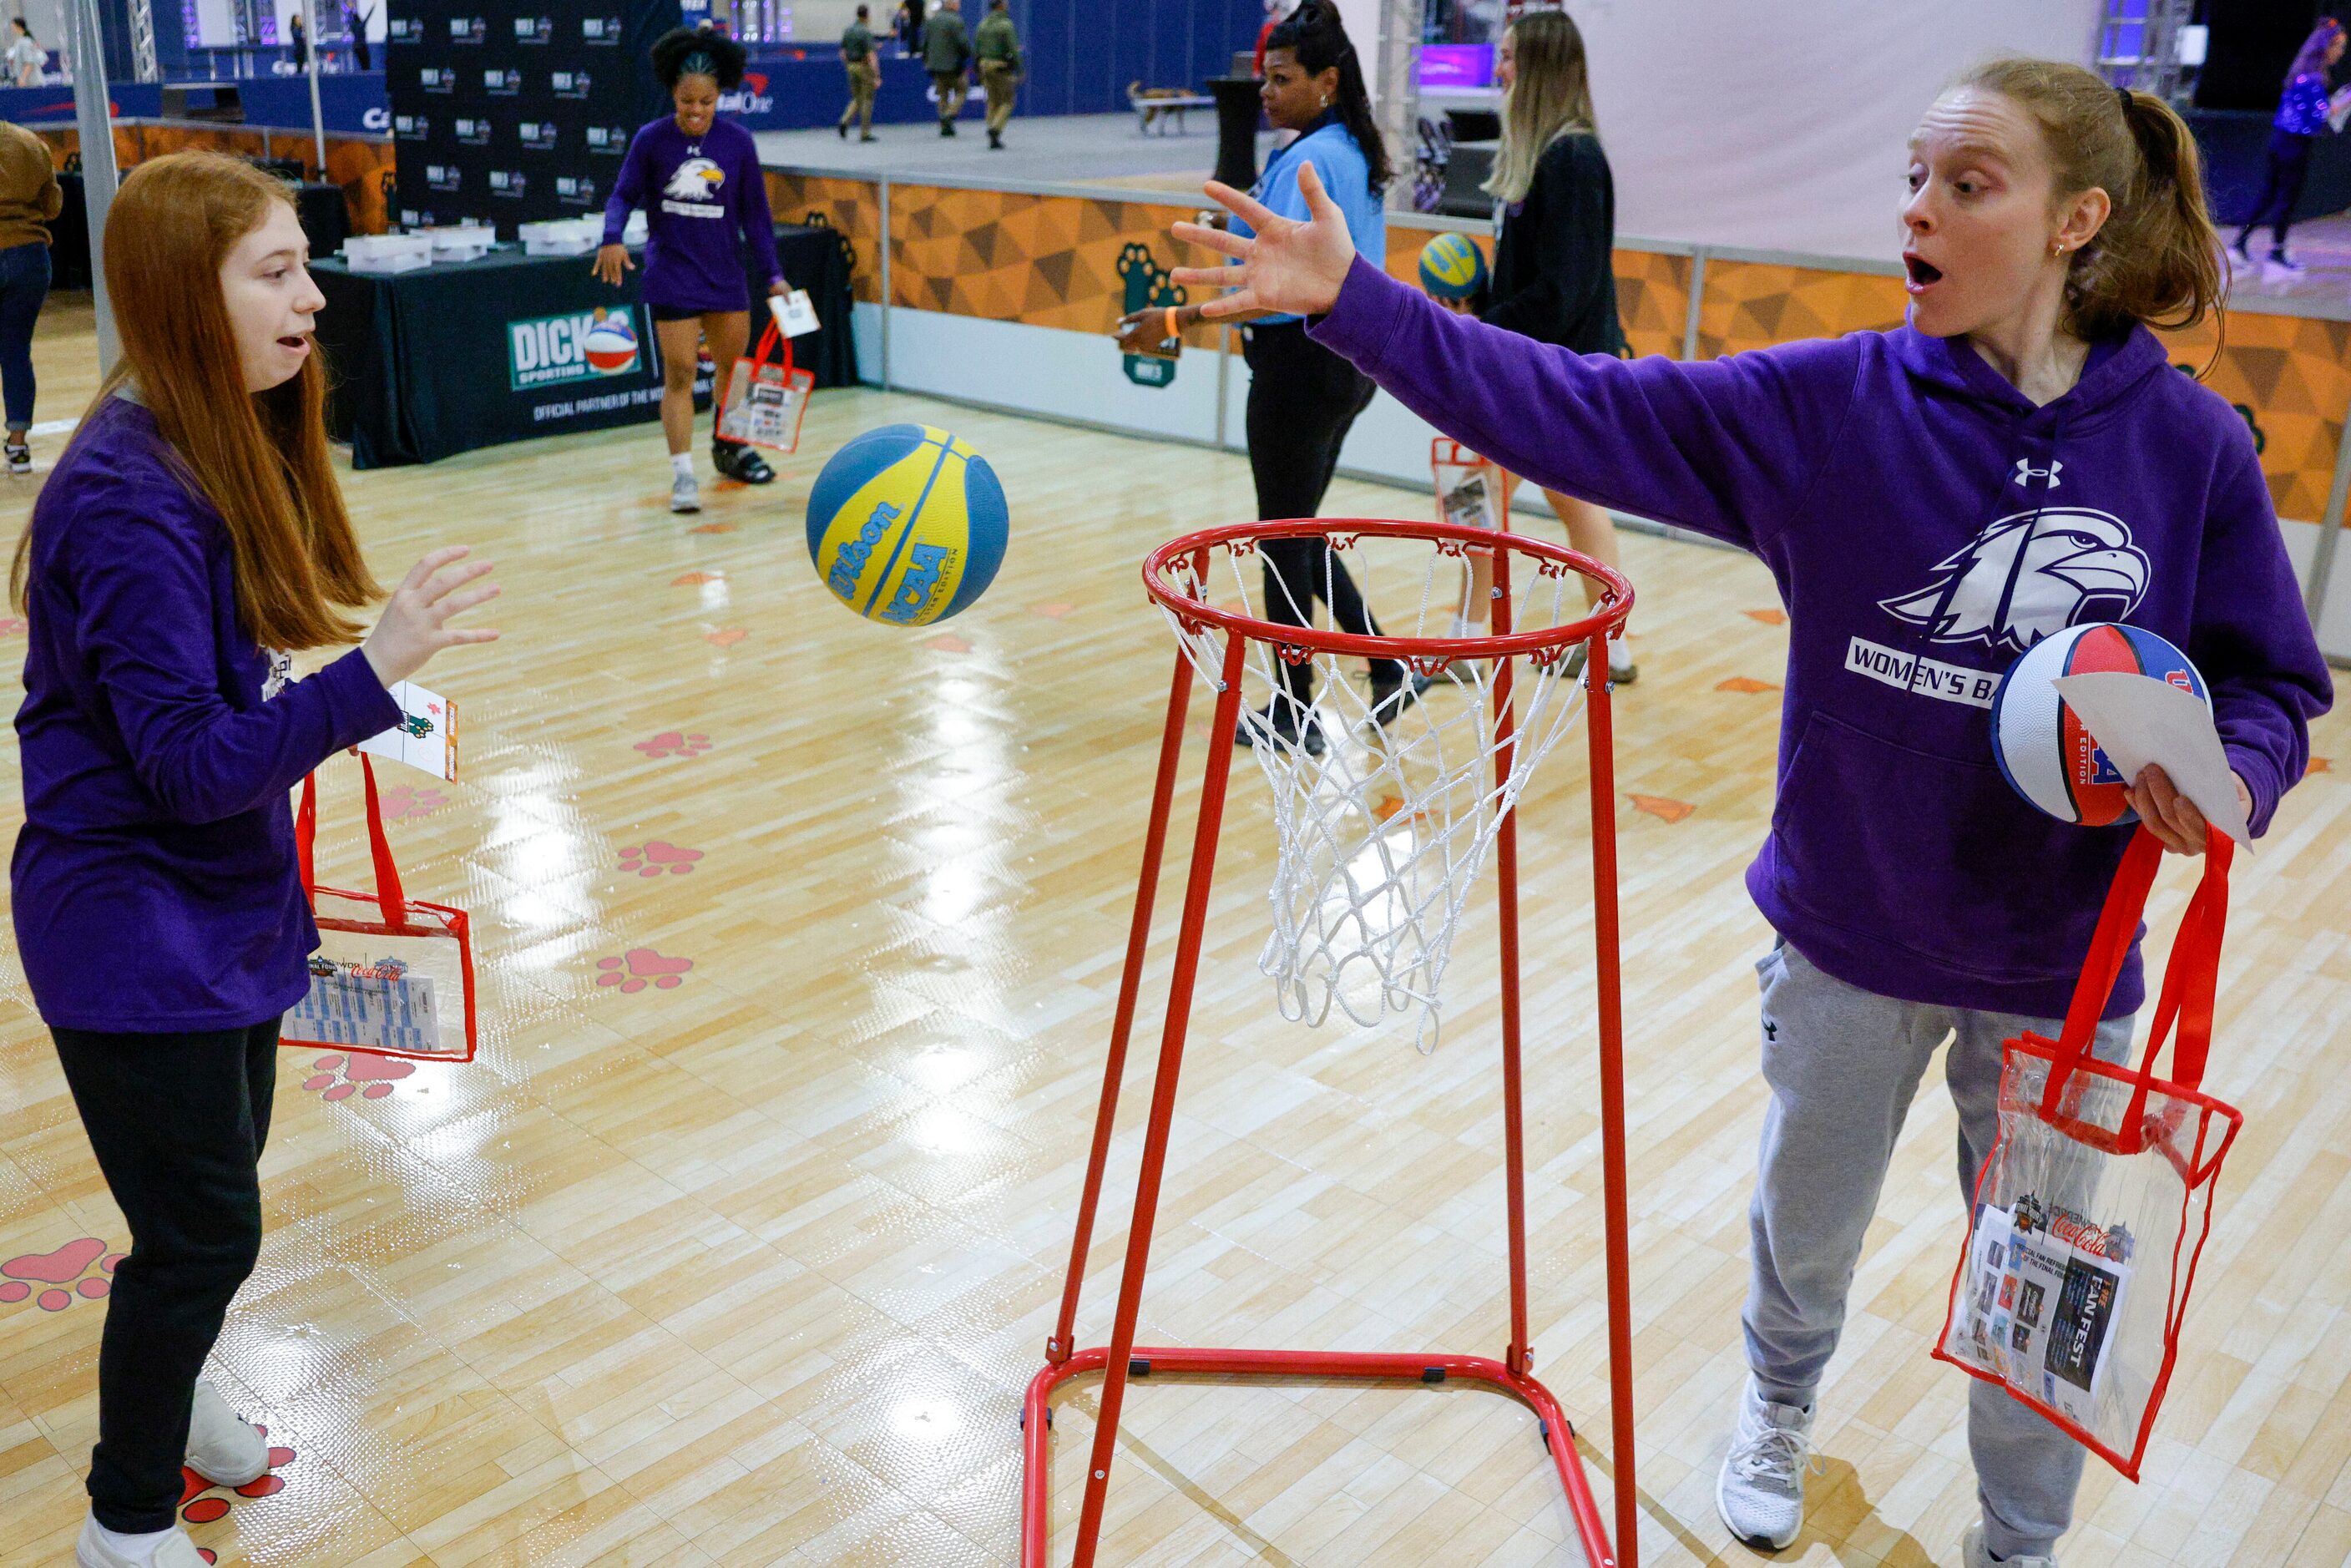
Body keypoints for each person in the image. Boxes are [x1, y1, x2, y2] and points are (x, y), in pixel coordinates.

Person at [1176, 57, 2331, 1568]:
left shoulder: (2188, 451)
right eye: (1912, 176)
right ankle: (1776, 1402)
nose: (1915, 209)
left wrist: (2231, 774)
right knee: (1808, 1227)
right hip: (1850, 934)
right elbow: (1573, 402)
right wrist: (1356, 303)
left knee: (2040, 1276)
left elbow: (2270, 683)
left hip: (2059, 969)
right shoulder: (1831, 407)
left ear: (2078, 223)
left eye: (1965, 185)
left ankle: (2021, 1536)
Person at [8, 151, 498, 1568]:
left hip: (216, 905)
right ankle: (125, 1519)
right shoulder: (125, 496)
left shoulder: (205, 439)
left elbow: (219, 727)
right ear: (181, 294)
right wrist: (377, 673)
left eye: (305, 264)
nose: (314, 296)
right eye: (275, 271)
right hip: (130, 931)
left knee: (204, 1206)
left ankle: (167, 1399)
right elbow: (188, 763)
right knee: (199, 1234)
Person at [1117, 1, 1413, 754]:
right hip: (1344, 370)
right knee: (1300, 523)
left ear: (1327, 81)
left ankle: (1294, 710)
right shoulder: (1348, 148)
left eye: (1282, 79)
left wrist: (1173, 322)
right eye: (1263, 79)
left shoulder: (1313, 163)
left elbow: (1269, 294)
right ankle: (1389, 665)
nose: (1268, 92)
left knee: (1281, 538)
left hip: (1299, 374)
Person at [1450, 7, 1634, 681]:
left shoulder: (1574, 156)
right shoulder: (1544, 152)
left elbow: (1566, 286)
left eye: (1509, 58)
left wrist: (1484, 326)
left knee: (1471, 489)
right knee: (1562, 499)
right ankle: (1610, 645)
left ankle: (1466, 638)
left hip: (1558, 370)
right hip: (1542, 363)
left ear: (1541, 70)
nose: (1497, 69)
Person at [594, 28, 789, 514]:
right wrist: (612, 236)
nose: (697, 111)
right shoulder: (651, 140)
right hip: (673, 273)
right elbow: (622, 195)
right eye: (687, 102)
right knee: (680, 374)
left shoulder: (738, 144)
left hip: (725, 275)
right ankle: (683, 474)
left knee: (734, 372)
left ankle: (732, 448)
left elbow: (757, 218)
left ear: (720, 94)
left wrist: (774, 276)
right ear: (672, 96)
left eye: (706, 101)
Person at [2230, 17, 2351, 278]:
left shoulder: (2302, 73)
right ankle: (2276, 253)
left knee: (2269, 195)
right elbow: (2323, 114)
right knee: (2285, 199)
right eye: (2338, 47)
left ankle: (2240, 244)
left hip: (2280, 140)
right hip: (2293, 145)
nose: (2340, 53)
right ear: (2325, 47)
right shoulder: (2312, 78)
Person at [0, 119, 59, 474]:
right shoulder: (30, 143)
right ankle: (19, 447)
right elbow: (51, 206)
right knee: (16, 351)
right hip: (29, 255)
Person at [975, 0, 1021, 151]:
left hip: (984, 65)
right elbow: (1013, 49)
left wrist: (977, 68)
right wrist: (1019, 69)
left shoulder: (983, 24)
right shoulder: (1006, 25)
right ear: (1001, 5)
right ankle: (995, 129)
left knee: (992, 101)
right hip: (1000, 66)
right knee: (1007, 101)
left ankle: (992, 130)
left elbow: (977, 48)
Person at [924, 0, 972, 137]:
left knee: (942, 95)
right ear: (951, 4)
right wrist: (966, 56)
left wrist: (928, 62)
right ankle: (950, 114)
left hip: (936, 66)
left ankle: (945, 127)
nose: (960, 4)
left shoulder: (932, 21)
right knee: (962, 91)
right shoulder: (956, 21)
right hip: (953, 65)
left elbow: (926, 43)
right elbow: (963, 43)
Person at [839, 3, 880, 142]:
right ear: (867, 16)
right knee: (867, 100)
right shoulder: (865, 32)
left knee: (857, 98)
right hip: (864, 67)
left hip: (851, 66)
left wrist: (849, 66)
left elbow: (843, 53)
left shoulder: (848, 30)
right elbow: (871, 56)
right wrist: (876, 76)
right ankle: (865, 133)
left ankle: (844, 120)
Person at [7, 18, 43, 87]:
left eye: (13, 26)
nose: (11, 29)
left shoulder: (25, 42)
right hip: (26, 83)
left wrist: (23, 78)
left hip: (31, 84)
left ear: (18, 26)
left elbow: (29, 63)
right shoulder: (19, 42)